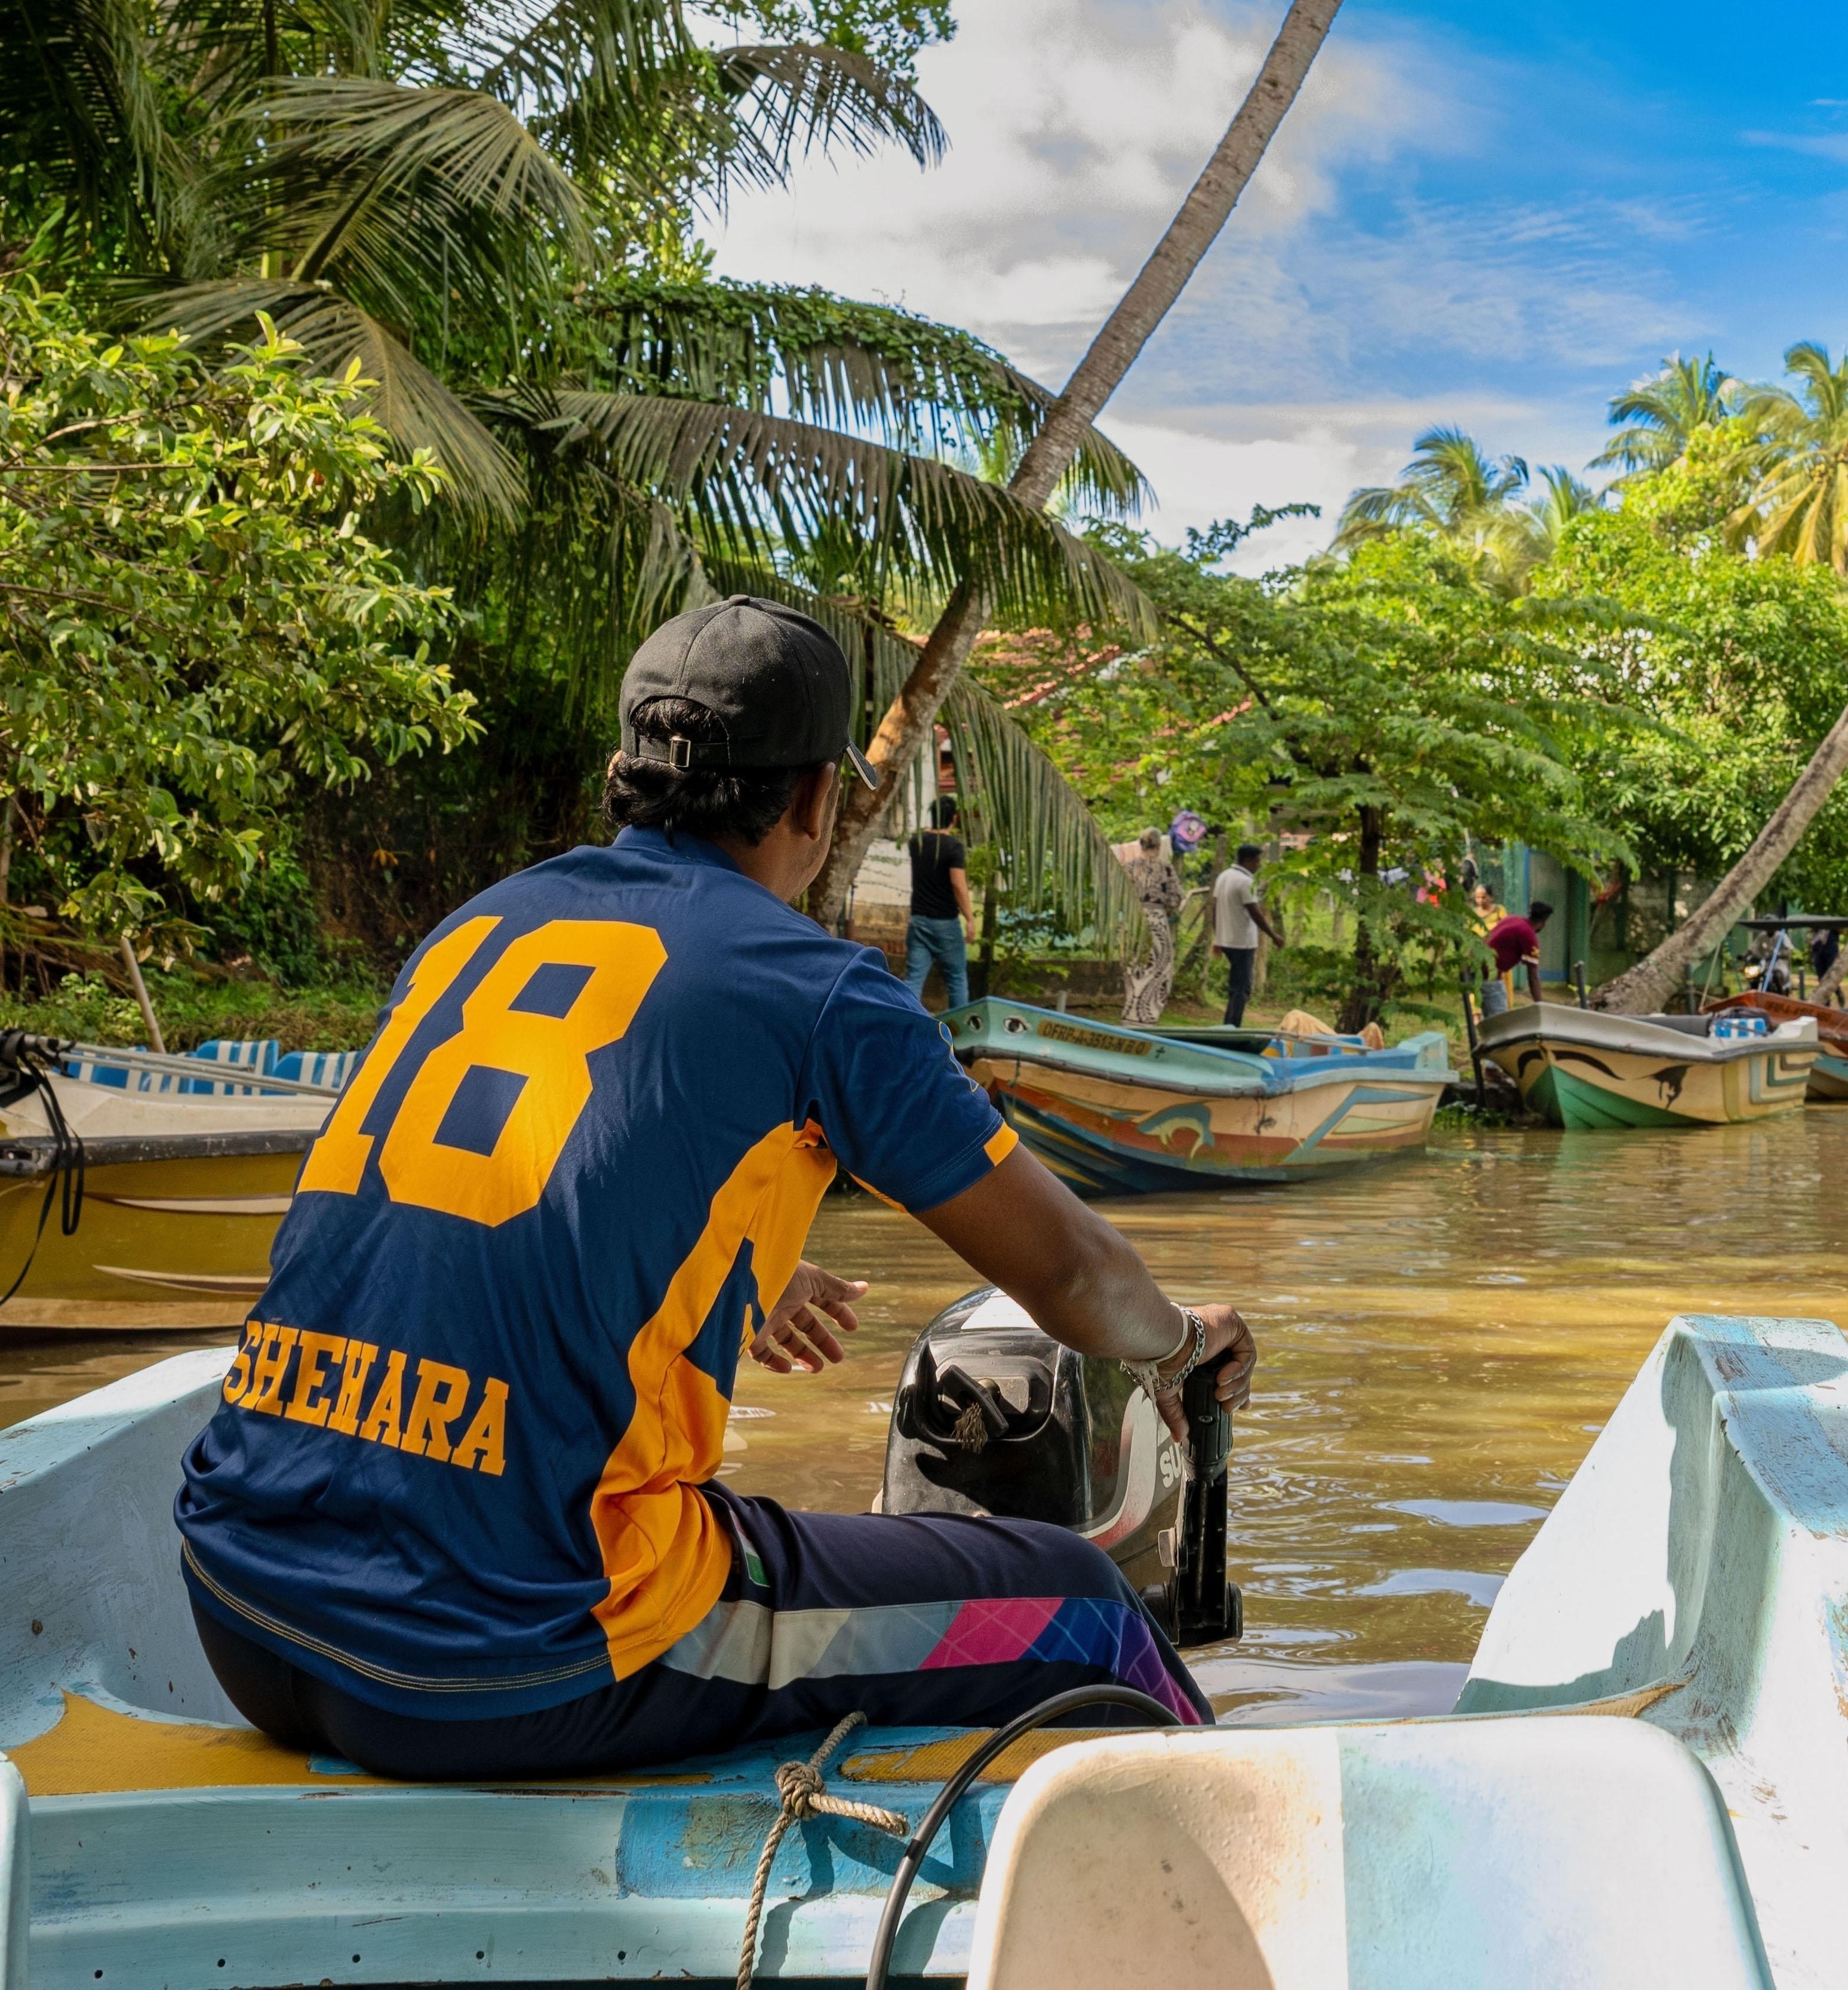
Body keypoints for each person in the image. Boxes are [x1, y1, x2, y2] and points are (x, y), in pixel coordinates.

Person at [172, 597, 1254, 1780]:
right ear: (816, 800)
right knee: (1085, 1603)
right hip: (506, 1664)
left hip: (239, 1603)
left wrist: (755, 1263)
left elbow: (521, 1173)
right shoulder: (819, 991)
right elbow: (1078, 1275)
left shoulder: (474, 925)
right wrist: (1179, 1342)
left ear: (616, 775)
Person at [905, 797, 973, 1014]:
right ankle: (959, 1036)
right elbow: (958, 885)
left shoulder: (917, 842)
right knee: (956, 978)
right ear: (954, 818)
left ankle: (905, 1024)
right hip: (945, 923)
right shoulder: (953, 847)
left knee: (914, 979)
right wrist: (970, 918)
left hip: (918, 921)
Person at [1210, 842, 1280, 1029]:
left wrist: (1218, 937)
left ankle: (1229, 1024)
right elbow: (1255, 913)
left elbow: (1214, 908)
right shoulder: (1245, 882)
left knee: (1236, 985)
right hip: (1242, 942)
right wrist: (1274, 936)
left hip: (1227, 940)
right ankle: (1232, 1026)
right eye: (1257, 862)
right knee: (1242, 988)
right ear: (1247, 861)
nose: (1259, 866)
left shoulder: (1224, 876)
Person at [1118, 830, 1183, 1028]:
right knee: (1158, 968)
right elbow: (1175, 898)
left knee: (1133, 966)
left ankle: (1130, 1012)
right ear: (1159, 845)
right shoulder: (1165, 867)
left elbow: (1120, 895)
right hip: (1156, 921)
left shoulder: (1128, 867)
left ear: (1140, 844)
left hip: (1132, 920)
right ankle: (1148, 1016)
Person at [1483, 899, 1545, 1010]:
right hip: (1490, 976)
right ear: (1544, 922)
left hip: (1474, 967)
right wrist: (1541, 1006)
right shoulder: (1529, 935)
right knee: (1500, 1019)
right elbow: (1533, 977)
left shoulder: (1513, 919)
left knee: (1489, 1019)